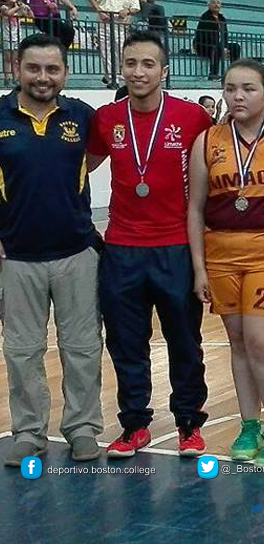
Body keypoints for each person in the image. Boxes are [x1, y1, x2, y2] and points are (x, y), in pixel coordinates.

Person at [86, 31, 213, 458]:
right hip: (121, 248)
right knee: (125, 341)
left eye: (147, 64)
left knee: (183, 340)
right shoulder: (106, 119)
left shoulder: (193, 119)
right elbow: (77, 170)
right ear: (121, 68)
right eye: (130, 64)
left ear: (164, 71)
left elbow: (213, 175)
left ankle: (189, 424)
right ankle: (134, 424)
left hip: (175, 247)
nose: (138, 72)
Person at [188, 59, 264, 467]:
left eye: (249, 88)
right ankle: (250, 423)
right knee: (238, 344)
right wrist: (199, 267)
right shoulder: (207, 141)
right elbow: (195, 208)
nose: (238, 95)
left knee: (261, 342)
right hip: (221, 255)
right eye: (231, 87)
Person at [0, 33, 103, 467]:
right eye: (34, 68)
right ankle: (28, 431)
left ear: (64, 72)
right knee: (22, 351)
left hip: (76, 252)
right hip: (16, 257)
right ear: (16, 67)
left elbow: (93, 160)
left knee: (82, 347)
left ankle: (82, 428)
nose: (43, 78)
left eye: (52, 69)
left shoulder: (82, 117)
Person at [89, 0, 140, 89]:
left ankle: (115, 75)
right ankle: (112, 78)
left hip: (120, 23)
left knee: (120, 51)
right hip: (104, 21)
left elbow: (136, 7)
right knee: (105, 51)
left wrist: (127, 10)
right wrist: (100, 11)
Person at [194, 0, 240, 81]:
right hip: (204, 46)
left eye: (218, 3)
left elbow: (225, 34)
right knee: (217, 47)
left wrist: (225, 47)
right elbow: (206, 36)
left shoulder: (222, 18)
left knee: (235, 47)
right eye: (213, 3)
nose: (216, 5)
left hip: (219, 45)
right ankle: (213, 75)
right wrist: (221, 47)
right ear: (209, 5)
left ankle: (234, 73)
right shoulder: (205, 17)